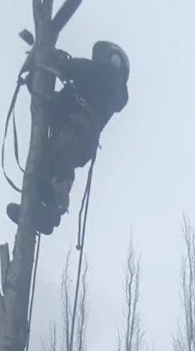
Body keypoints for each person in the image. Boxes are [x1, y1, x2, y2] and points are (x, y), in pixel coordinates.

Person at [7, 40, 129, 234]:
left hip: (77, 132)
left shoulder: (109, 78)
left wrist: (59, 62)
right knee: (48, 166)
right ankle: (41, 212)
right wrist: (37, 81)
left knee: (58, 162)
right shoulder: (87, 87)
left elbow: (81, 68)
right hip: (75, 133)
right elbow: (57, 102)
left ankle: (53, 206)